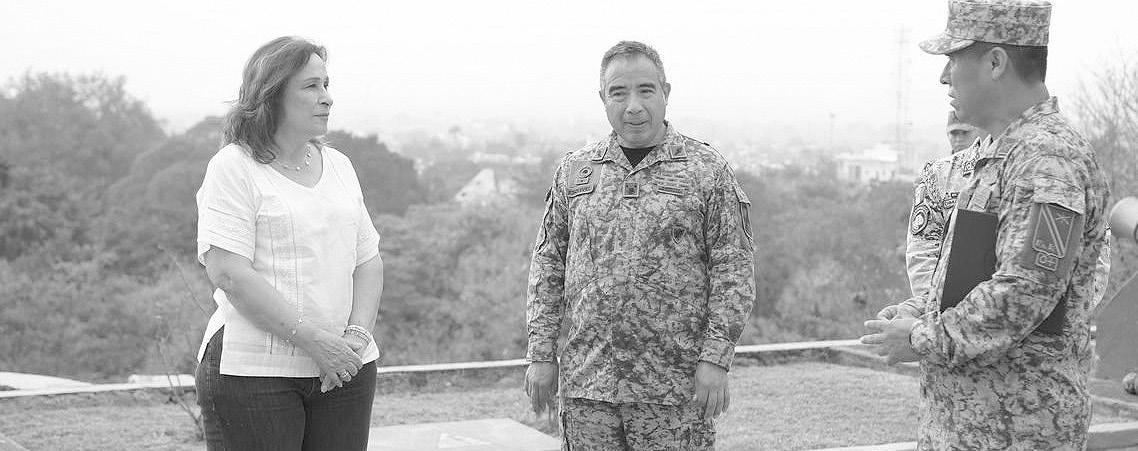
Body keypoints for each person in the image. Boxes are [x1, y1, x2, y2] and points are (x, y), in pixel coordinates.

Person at [862, 1, 1110, 449]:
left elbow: (1025, 292)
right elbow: (978, 273)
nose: (944, 77)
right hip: (974, 426)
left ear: (996, 63)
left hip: (1018, 429)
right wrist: (921, 310)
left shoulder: (1048, 160)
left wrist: (921, 338)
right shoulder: (1004, 153)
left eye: (954, 60)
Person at [524, 40, 755, 450]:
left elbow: (733, 272)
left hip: (675, 389)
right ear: (603, 98)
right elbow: (548, 266)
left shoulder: (706, 170)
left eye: (645, 90)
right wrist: (541, 354)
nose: (633, 106)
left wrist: (716, 358)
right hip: (589, 386)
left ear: (666, 92)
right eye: (619, 92)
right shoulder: (576, 171)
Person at [193, 36, 384, 451]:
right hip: (253, 373)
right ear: (272, 94)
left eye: (326, 84)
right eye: (311, 86)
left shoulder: (339, 166)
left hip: (345, 369)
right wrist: (316, 341)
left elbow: (368, 260)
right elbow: (229, 272)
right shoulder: (233, 167)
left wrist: (355, 338)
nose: (327, 97)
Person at [903, 112, 984, 300]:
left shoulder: (1011, 165)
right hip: (942, 297)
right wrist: (932, 303)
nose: (958, 139)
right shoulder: (938, 175)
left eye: (964, 133)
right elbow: (922, 250)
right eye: (954, 133)